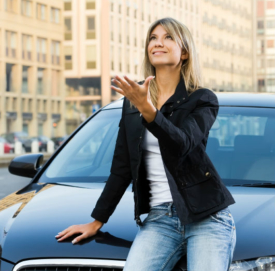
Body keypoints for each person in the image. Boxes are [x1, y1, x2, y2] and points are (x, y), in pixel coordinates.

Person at [56, 17, 237, 271]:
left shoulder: (202, 99)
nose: (157, 43)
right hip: (159, 218)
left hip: (207, 216)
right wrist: (97, 221)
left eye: (168, 37)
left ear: (184, 52)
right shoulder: (133, 103)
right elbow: (121, 168)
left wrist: (149, 111)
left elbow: (182, 144)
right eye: (153, 38)